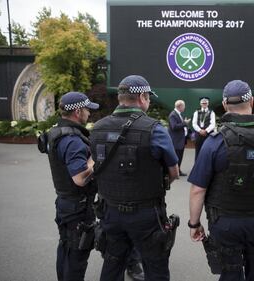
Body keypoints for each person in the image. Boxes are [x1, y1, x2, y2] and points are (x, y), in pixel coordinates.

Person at [188, 80, 254, 281]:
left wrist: (194, 224)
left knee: (230, 271)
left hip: (225, 222)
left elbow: (197, 189)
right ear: (251, 101)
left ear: (225, 104)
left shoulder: (215, 141)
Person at [90, 75, 179, 281]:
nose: (148, 101)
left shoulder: (98, 127)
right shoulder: (154, 129)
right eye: (148, 97)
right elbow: (173, 172)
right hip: (146, 213)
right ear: (142, 97)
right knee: (155, 267)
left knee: (112, 264)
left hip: (109, 211)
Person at [38, 91, 99, 281]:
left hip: (65, 203)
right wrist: (96, 160)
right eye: (87, 109)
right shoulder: (72, 140)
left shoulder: (56, 131)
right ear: (78, 112)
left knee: (66, 248)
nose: (89, 113)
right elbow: (80, 178)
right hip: (77, 206)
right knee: (76, 255)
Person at [168, 100, 191, 176]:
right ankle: (174, 172)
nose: (185, 107)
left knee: (179, 156)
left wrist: (184, 124)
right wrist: (185, 123)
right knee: (176, 157)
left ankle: (178, 171)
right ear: (180, 106)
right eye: (184, 106)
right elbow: (174, 126)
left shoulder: (179, 114)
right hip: (176, 141)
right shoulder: (173, 115)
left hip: (181, 140)